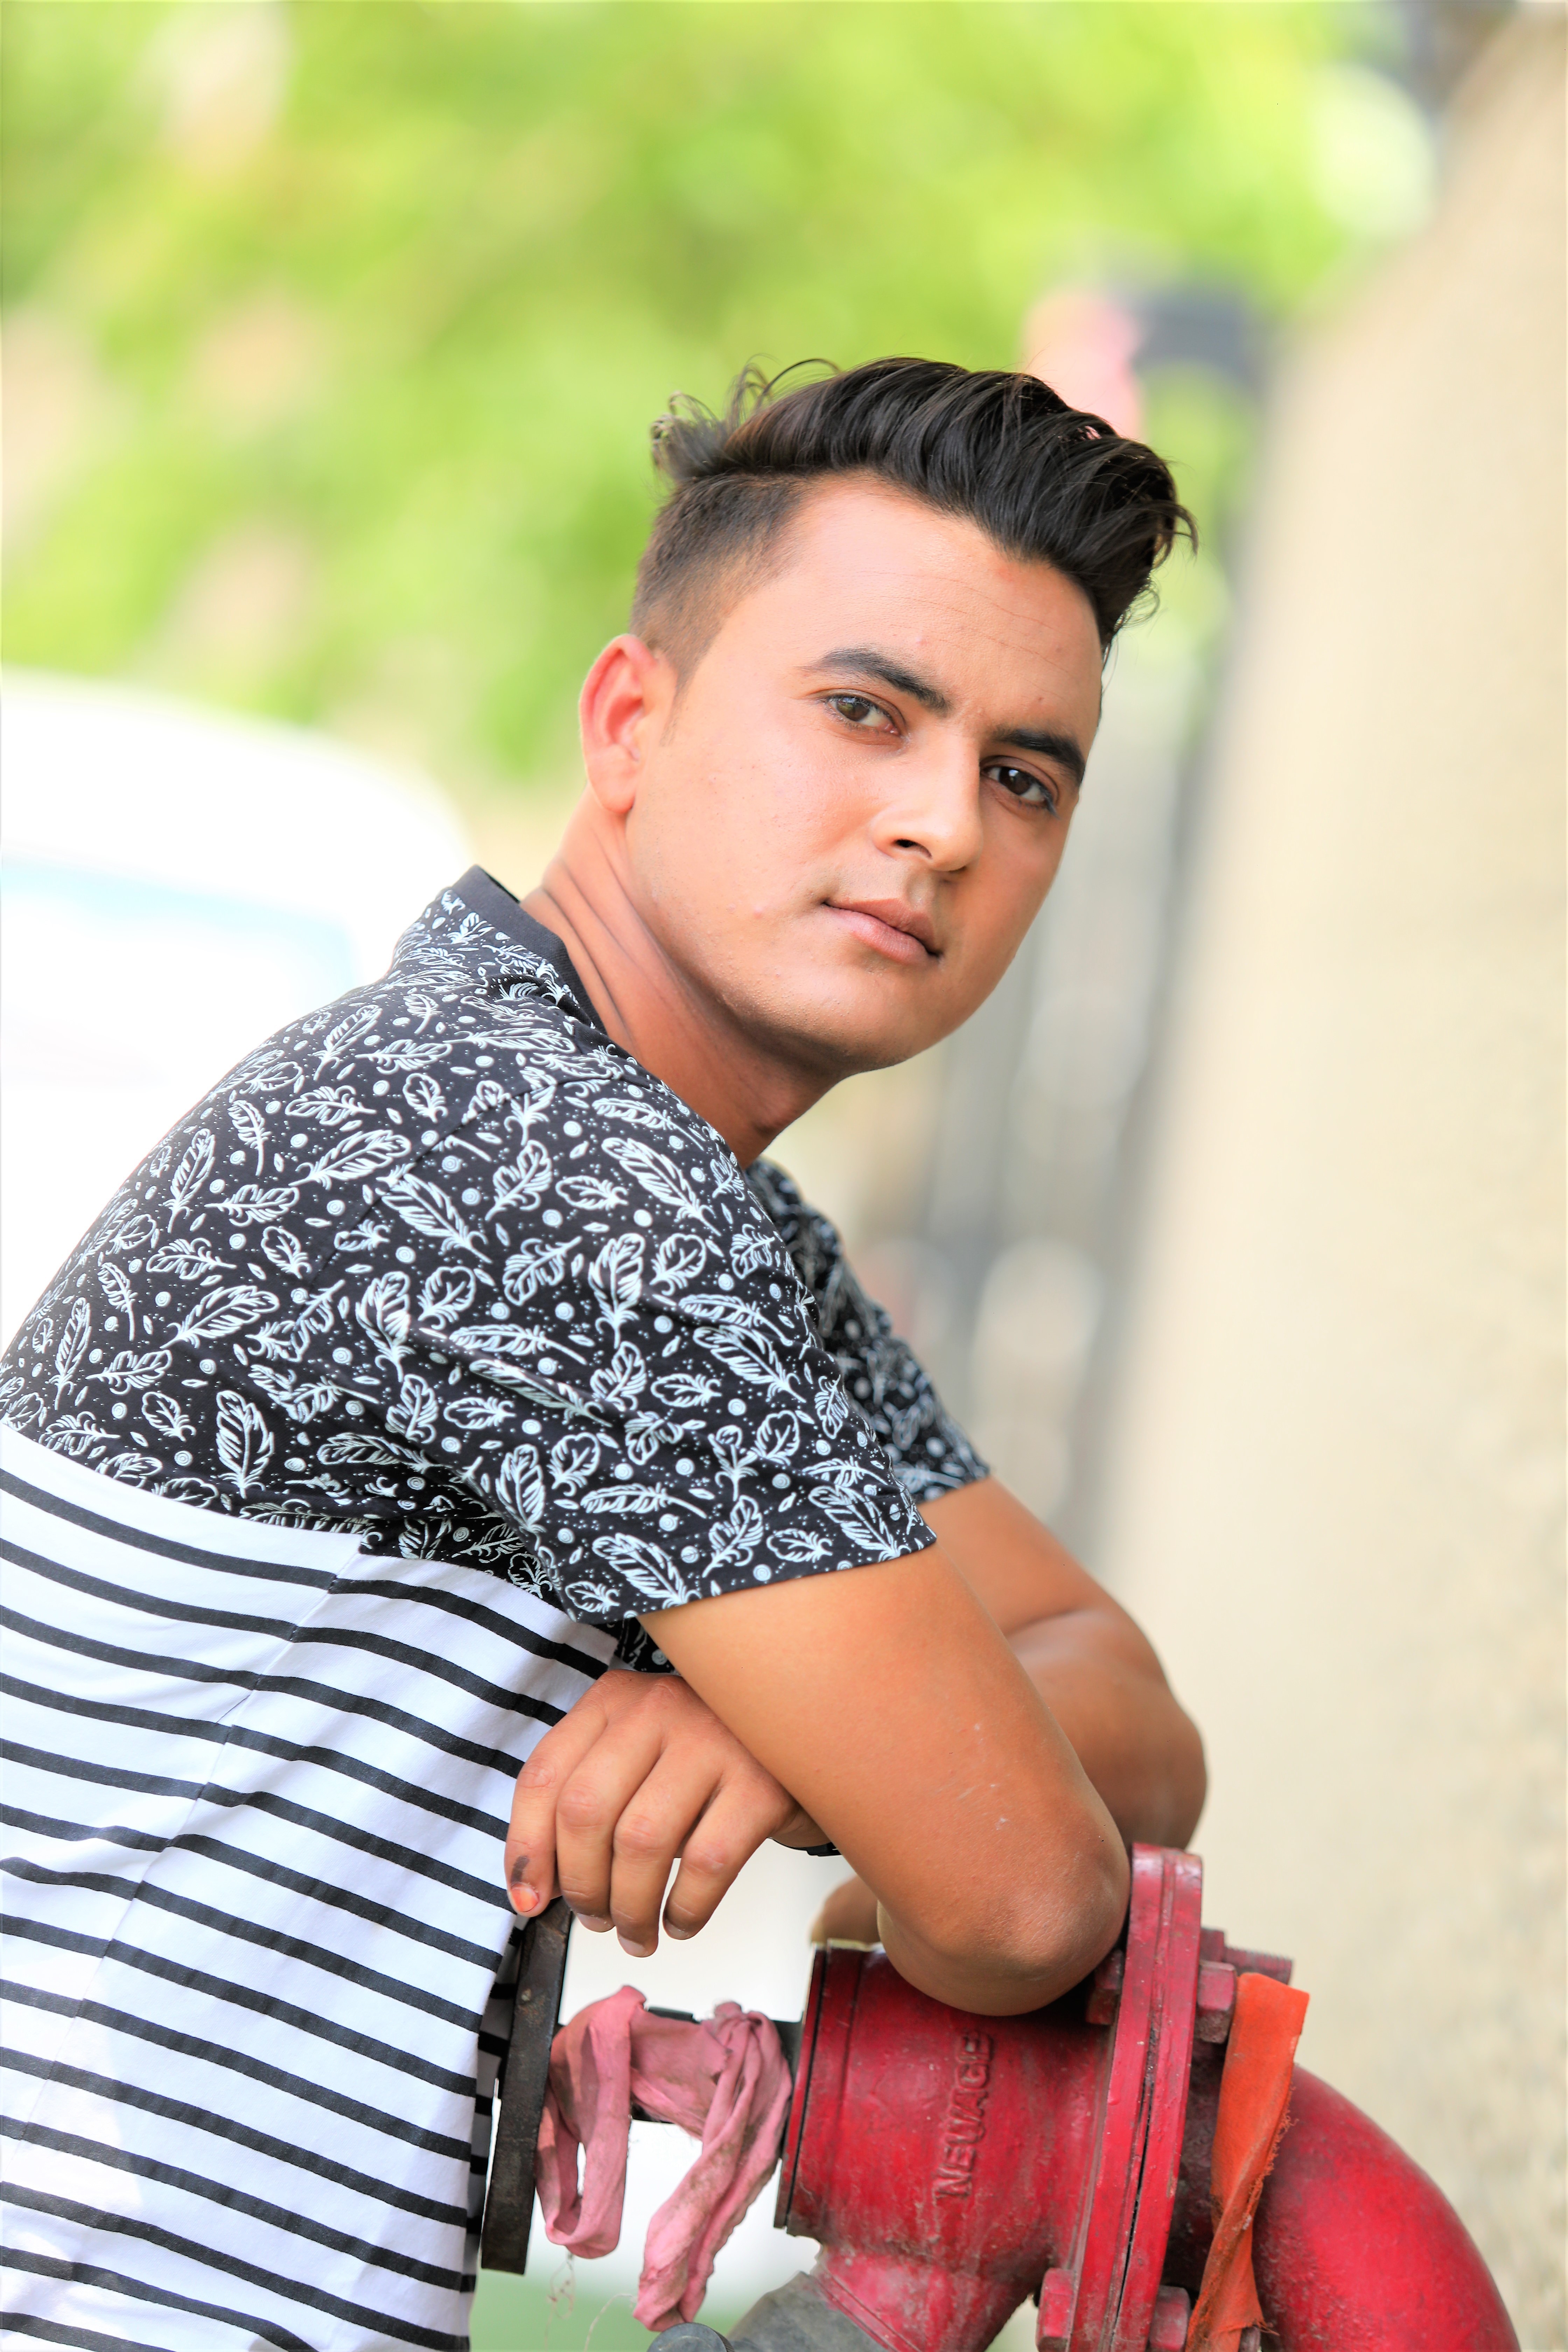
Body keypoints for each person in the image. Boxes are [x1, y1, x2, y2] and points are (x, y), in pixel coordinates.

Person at [1, 358, 1205, 2352]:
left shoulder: (669, 1187)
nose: (939, 825)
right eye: (865, 712)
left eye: (1024, 776)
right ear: (631, 723)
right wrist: (872, 1757)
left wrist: (782, 1741)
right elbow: (1024, 1903)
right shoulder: (537, 1164)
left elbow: (1129, 1710)